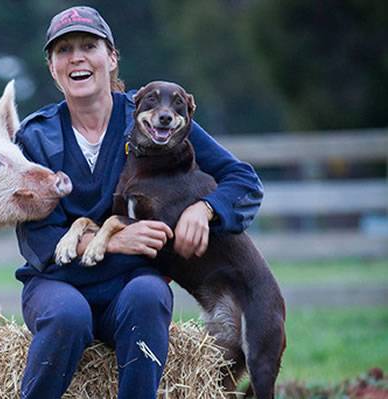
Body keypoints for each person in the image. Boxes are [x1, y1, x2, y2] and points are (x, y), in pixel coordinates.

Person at [14, 6, 263, 399]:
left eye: (88, 46)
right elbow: (37, 238)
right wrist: (113, 241)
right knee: (68, 316)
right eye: (64, 50)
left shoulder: (155, 113)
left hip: (130, 284)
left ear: (111, 58)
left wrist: (206, 209)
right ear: (52, 67)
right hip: (57, 285)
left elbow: (244, 182)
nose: (76, 57)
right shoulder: (35, 136)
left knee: (149, 295)